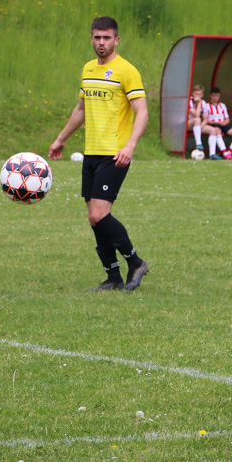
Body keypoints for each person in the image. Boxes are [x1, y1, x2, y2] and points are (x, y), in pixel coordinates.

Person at [49, 16, 149, 292]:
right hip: (91, 153)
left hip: (114, 153)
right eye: (97, 37)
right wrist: (61, 139)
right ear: (91, 38)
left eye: (106, 38)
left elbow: (142, 112)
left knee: (98, 215)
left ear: (116, 40)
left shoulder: (127, 71)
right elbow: (80, 109)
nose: (101, 42)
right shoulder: (88, 69)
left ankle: (136, 262)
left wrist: (129, 146)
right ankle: (113, 277)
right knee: (94, 217)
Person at [202, 87, 232, 159]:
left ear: (219, 96)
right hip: (213, 124)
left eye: (217, 96)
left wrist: (224, 123)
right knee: (217, 130)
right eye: (214, 96)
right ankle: (225, 154)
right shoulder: (206, 105)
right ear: (210, 96)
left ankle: (229, 152)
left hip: (223, 124)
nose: (215, 98)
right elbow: (205, 119)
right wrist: (215, 122)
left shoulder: (222, 105)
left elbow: (227, 119)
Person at [187, 85, 205, 152]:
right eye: (196, 94)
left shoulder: (204, 103)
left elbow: (205, 118)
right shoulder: (189, 100)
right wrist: (199, 103)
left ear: (202, 95)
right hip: (187, 124)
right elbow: (196, 114)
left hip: (197, 125)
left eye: (199, 94)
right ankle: (199, 143)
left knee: (214, 130)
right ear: (192, 93)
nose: (197, 96)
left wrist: (201, 127)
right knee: (197, 119)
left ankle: (212, 154)